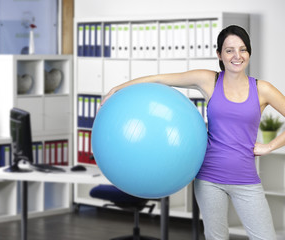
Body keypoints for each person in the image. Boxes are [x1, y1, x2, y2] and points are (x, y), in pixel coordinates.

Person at [101, 25, 284, 239]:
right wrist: (118, 88)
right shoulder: (209, 80)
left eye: (243, 49)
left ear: (249, 53)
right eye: (229, 50)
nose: (237, 56)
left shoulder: (262, 89)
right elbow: (161, 79)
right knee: (216, 237)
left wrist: (270, 146)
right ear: (219, 54)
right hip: (209, 178)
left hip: (246, 179)